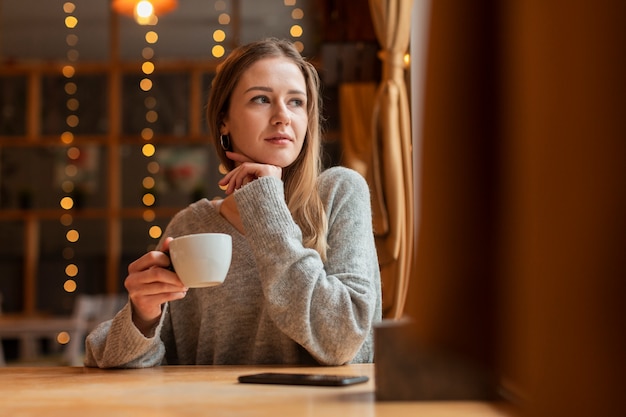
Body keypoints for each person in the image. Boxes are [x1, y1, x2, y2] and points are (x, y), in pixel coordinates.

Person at [84, 38, 382, 368]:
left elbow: (343, 342)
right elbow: (128, 363)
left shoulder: (339, 192)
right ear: (224, 119)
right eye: (261, 99)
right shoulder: (191, 226)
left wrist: (267, 209)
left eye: (296, 102)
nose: (283, 116)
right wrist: (143, 316)